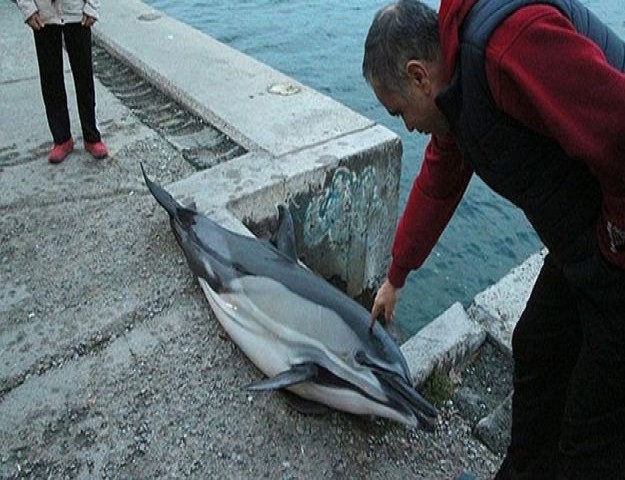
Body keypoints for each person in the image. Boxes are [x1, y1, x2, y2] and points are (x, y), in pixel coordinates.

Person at [363, 0, 625, 478]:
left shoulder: (508, 47)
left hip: (615, 243)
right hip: (585, 241)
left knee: (594, 423)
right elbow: (439, 181)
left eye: (399, 111)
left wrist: (615, 240)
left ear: (419, 76)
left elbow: (620, 132)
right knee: (539, 346)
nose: (408, 127)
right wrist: (396, 275)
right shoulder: (456, 87)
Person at [17, 0, 108, 163]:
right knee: (50, 79)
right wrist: (28, 10)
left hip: (76, 12)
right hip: (43, 14)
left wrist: (92, 7)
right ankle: (62, 138)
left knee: (84, 77)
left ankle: (91, 136)